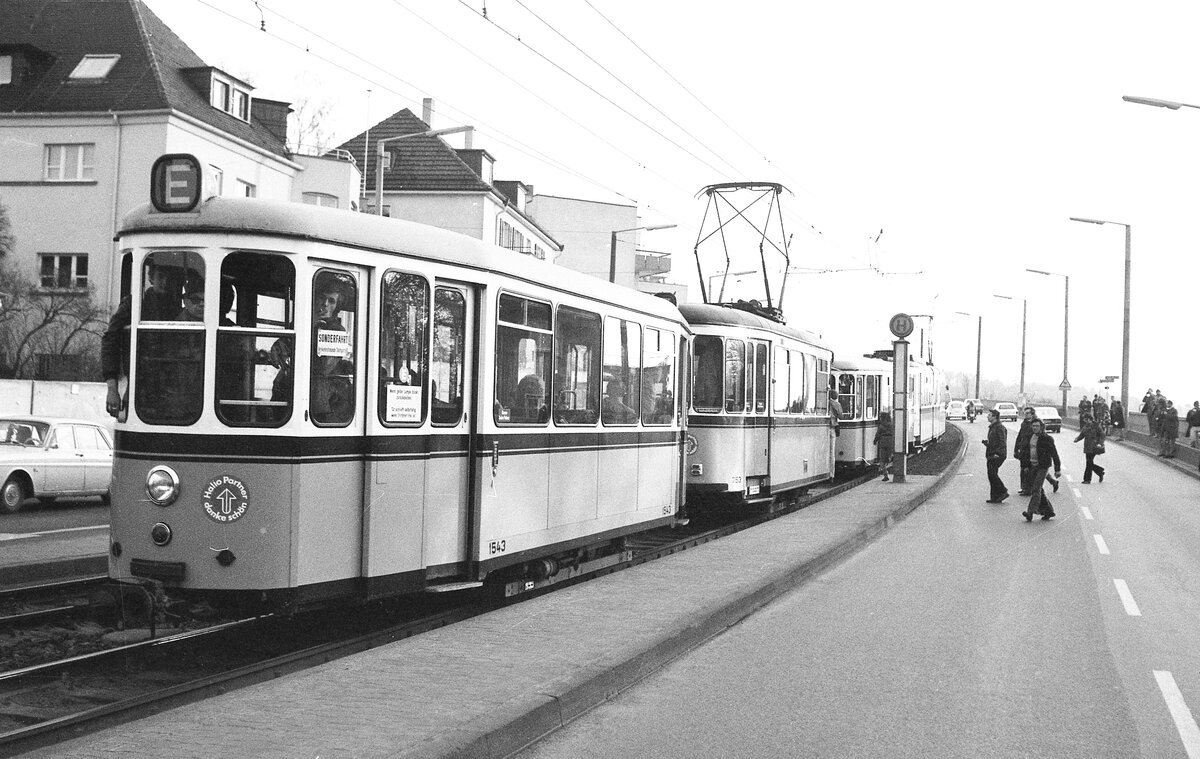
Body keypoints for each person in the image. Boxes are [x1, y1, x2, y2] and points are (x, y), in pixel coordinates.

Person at [1021, 419, 1061, 522]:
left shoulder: (1047, 439)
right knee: (1039, 490)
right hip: (1032, 466)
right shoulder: (1030, 437)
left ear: (1042, 427)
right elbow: (1026, 452)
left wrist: (1057, 469)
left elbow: (1054, 453)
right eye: (1033, 426)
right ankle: (1048, 511)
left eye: (1037, 426)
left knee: (1036, 488)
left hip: (1043, 466)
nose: (1034, 428)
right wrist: (1025, 465)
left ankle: (1030, 512)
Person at [982, 409, 1009, 503]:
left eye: (989, 415)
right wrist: (987, 444)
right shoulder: (993, 427)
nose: (987, 416)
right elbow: (995, 441)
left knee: (992, 475)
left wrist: (998, 453)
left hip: (996, 455)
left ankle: (1003, 491)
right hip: (992, 453)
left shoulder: (999, 427)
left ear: (994, 417)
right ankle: (995, 497)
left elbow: (1002, 442)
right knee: (992, 475)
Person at [1074, 413, 1107, 484]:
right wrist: (1077, 439)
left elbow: (1102, 435)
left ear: (1090, 419)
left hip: (1094, 446)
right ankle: (1100, 472)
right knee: (1089, 462)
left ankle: (1087, 479)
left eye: (1086, 419)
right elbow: (1082, 435)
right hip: (1087, 446)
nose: (1085, 421)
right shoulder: (1085, 426)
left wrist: (1100, 443)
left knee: (1089, 462)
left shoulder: (1096, 426)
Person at [1013, 407, 1037, 495]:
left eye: (1027, 413)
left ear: (1032, 414)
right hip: (1024, 449)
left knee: (1029, 470)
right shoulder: (1024, 423)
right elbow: (1020, 436)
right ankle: (1024, 487)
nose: (1025, 415)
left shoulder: (1035, 424)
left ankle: (1028, 489)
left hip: (1031, 449)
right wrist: (1016, 449)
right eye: (1025, 413)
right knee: (1023, 469)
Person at [875, 410, 894, 481]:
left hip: (883, 443)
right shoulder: (892, 425)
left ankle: (885, 474)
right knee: (888, 458)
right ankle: (888, 460)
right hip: (891, 443)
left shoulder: (881, 426)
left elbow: (877, 435)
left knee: (882, 460)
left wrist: (875, 441)